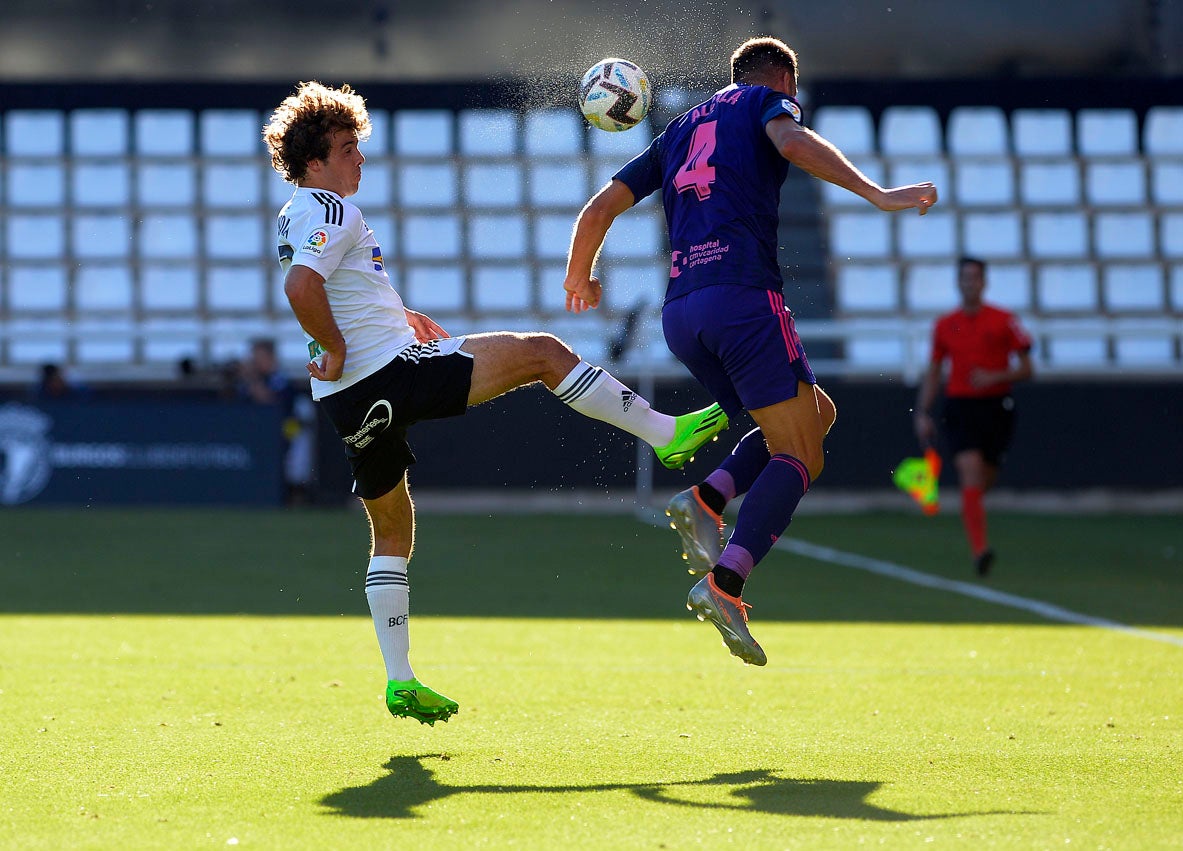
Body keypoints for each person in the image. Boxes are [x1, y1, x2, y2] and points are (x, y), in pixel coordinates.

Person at [262, 81, 729, 725]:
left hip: (345, 397)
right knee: (541, 351)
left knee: (392, 529)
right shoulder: (332, 208)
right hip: (386, 373)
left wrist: (393, 317)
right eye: (346, 149)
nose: (358, 160)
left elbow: (331, 283)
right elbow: (301, 285)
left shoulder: (295, 210)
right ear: (314, 160)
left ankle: (400, 679)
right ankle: (664, 432)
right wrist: (338, 344)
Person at [563, 37, 938, 666]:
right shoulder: (768, 103)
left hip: (683, 312)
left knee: (816, 412)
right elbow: (792, 143)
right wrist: (879, 195)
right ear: (784, 81)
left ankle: (706, 498)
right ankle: (726, 582)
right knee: (802, 452)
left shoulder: (679, 128)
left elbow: (600, 207)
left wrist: (579, 278)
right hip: (742, 299)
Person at [913, 256, 1034, 576]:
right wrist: (923, 411)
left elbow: (1027, 368)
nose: (969, 283)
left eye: (975, 277)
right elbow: (935, 371)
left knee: (984, 478)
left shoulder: (1004, 320)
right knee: (970, 472)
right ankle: (980, 550)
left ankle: (973, 516)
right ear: (959, 282)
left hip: (997, 407)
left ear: (983, 282)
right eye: (964, 277)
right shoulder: (944, 325)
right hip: (961, 406)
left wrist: (994, 377)